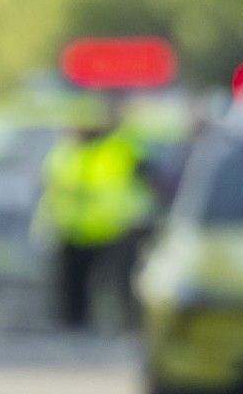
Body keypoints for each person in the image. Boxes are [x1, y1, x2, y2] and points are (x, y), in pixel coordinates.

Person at [36, 102, 155, 334]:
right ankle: (73, 327)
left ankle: (127, 326)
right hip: (73, 231)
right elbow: (51, 191)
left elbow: (148, 180)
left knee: (122, 284)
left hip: (116, 230)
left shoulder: (121, 148)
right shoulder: (64, 152)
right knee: (72, 287)